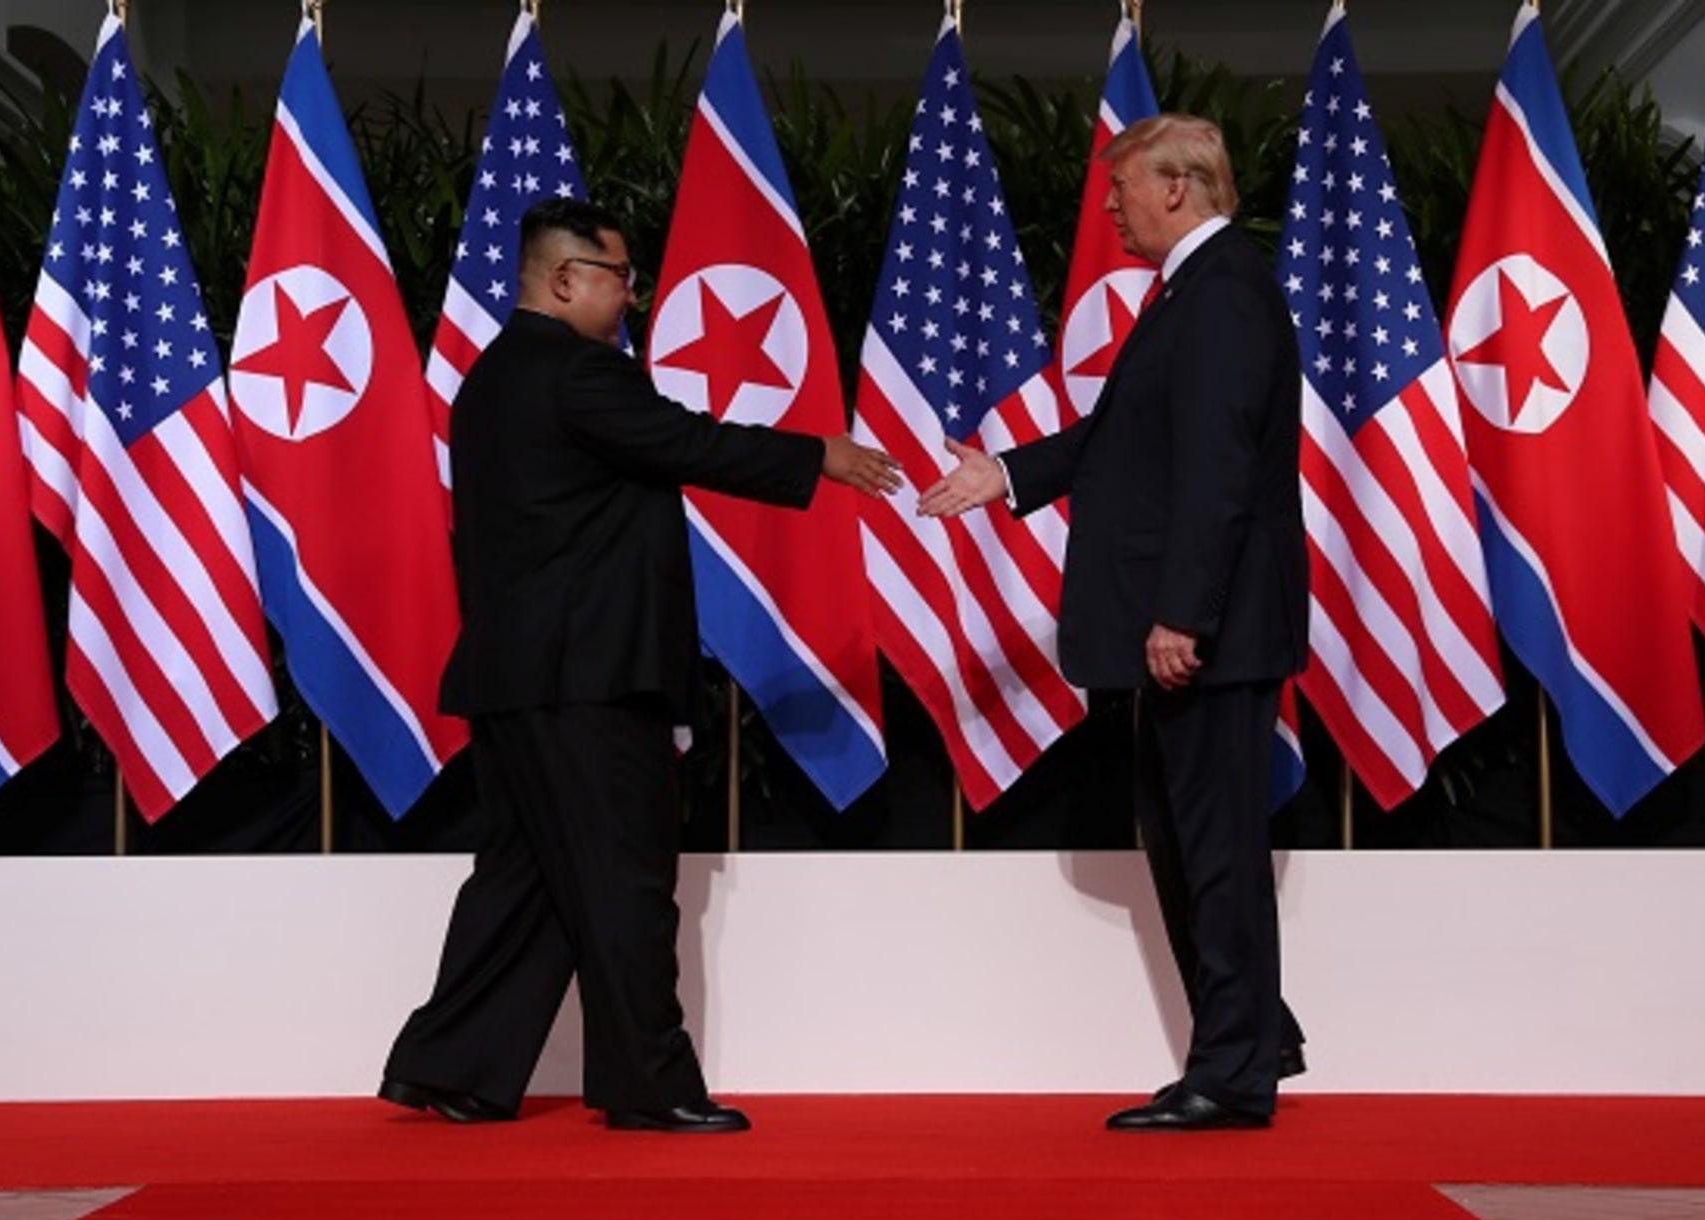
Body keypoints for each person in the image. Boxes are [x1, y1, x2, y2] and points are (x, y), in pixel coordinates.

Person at [381, 198, 901, 1134]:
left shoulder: (491, 378)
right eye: (621, 277)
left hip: (517, 678)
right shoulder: (577, 374)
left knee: (526, 881)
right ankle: (647, 1082)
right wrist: (815, 454)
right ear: (565, 278)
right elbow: (688, 441)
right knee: (624, 877)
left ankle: (450, 1063)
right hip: (586, 678)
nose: (633, 294)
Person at [919, 114, 1308, 1131]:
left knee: (1211, 848)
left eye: (1120, 189)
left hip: (1206, 631)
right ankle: (1253, 1034)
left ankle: (1233, 1073)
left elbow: (1219, 465)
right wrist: (1003, 473)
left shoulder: (1221, 295)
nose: (1109, 208)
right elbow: (1126, 436)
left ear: (1175, 187)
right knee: (1187, 841)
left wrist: (1184, 613)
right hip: (1196, 625)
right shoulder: (1197, 292)